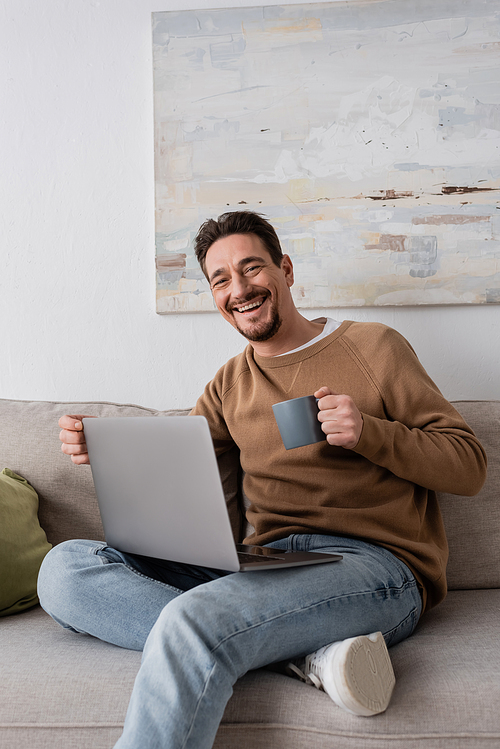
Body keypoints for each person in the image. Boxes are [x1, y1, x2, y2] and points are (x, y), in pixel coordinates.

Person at [38, 211, 487, 749]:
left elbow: (469, 465)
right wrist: (109, 450)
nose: (240, 289)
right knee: (63, 570)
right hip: (264, 567)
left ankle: (240, 640)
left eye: (252, 268)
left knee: (194, 621)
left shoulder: (374, 348)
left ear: (286, 269)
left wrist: (369, 432)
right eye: (221, 279)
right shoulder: (230, 382)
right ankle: (303, 654)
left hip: (373, 570)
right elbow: (181, 481)